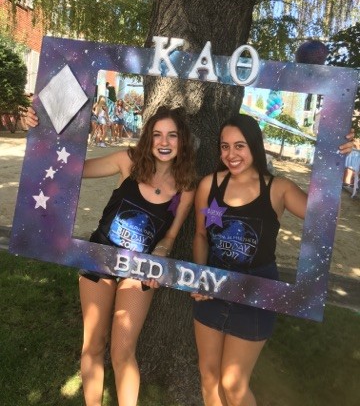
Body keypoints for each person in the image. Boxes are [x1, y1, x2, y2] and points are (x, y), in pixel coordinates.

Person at [25, 105, 197, 406]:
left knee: (122, 352)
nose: (164, 142)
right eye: (157, 135)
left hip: (138, 270)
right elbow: (72, 169)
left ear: (182, 141)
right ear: (148, 139)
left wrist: (158, 256)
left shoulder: (186, 187)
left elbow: (169, 236)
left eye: (172, 135)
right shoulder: (127, 162)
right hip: (97, 259)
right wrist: (43, 132)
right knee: (92, 345)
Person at [191, 113, 354, 406]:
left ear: (254, 145)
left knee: (233, 385)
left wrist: (336, 163)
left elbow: (326, 217)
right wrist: (201, 276)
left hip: (257, 294)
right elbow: (201, 236)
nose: (231, 154)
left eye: (239, 146)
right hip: (212, 292)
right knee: (209, 376)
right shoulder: (208, 185)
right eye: (225, 146)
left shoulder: (278, 188)